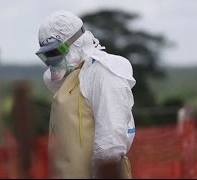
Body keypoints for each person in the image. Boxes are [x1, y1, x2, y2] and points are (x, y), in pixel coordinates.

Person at [35, 10, 136, 179]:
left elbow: (109, 146)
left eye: (54, 53)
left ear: (75, 43)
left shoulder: (103, 73)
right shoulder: (71, 80)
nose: (52, 61)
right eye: (47, 55)